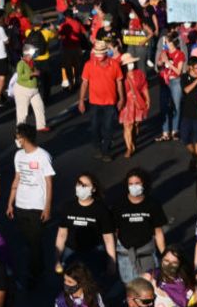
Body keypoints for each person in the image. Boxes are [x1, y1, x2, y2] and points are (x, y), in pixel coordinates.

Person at [7, 123, 53, 285]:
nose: (16, 139)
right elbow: (17, 178)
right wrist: (10, 203)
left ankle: (35, 273)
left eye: (18, 136)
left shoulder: (43, 156)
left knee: (35, 242)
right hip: (21, 205)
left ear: (24, 137)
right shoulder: (18, 156)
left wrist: (47, 207)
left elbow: (48, 184)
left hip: (36, 206)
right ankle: (36, 266)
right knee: (28, 240)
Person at [54, 171, 116, 277]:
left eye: (85, 185)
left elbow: (108, 237)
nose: (81, 187)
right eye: (79, 184)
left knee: (93, 282)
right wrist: (57, 259)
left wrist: (112, 262)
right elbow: (62, 234)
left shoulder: (101, 210)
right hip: (71, 251)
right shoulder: (68, 207)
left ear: (93, 189)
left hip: (94, 252)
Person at [114, 169, 168, 283]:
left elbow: (158, 231)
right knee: (130, 289)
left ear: (144, 184)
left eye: (137, 183)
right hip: (125, 255)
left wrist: (164, 255)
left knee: (151, 286)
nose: (134, 187)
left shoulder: (153, 204)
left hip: (147, 254)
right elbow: (114, 231)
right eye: (131, 184)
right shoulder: (119, 205)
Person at [78, 39, 124, 162]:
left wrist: (122, 98)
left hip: (110, 102)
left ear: (106, 52)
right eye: (96, 54)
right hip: (94, 102)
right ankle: (98, 147)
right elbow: (84, 83)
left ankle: (106, 151)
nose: (98, 57)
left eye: (101, 54)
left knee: (108, 127)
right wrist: (81, 100)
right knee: (94, 127)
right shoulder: (88, 65)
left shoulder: (114, 64)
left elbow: (119, 82)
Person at [120, 54, 150, 158]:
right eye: (128, 63)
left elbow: (144, 87)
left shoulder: (139, 74)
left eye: (131, 62)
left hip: (137, 101)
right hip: (126, 103)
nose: (130, 65)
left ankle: (133, 140)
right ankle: (129, 147)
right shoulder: (121, 77)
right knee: (127, 126)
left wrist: (148, 99)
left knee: (135, 125)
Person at [13, 41, 48, 130]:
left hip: (34, 90)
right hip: (23, 91)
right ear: (28, 54)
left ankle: (41, 126)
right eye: (34, 53)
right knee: (22, 113)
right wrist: (32, 74)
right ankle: (20, 131)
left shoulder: (32, 62)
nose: (36, 54)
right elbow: (20, 77)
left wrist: (36, 73)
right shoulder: (21, 63)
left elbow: (34, 71)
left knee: (39, 107)